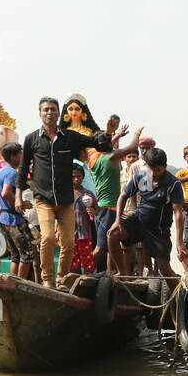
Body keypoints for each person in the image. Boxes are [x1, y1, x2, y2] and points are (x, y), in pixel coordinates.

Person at [17, 97, 111, 287]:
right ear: (40, 113)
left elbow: (96, 143)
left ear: (59, 113)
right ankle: (47, 279)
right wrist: (18, 196)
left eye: (53, 109)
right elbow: (22, 168)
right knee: (49, 237)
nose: (49, 113)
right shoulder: (31, 139)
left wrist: (108, 132)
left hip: (66, 200)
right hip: (43, 198)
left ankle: (62, 278)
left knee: (69, 241)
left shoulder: (70, 137)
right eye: (46, 110)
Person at [109, 147, 184, 278]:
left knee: (164, 270)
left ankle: (183, 296)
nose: (154, 173)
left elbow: (178, 213)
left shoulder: (173, 184)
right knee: (112, 234)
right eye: (151, 169)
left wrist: (180, 242)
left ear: (165, 167)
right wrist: (117, 221)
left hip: (159, 230)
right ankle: (122, 273)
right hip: (139, 221)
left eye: (158, 170)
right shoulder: (141, 176)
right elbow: (122, 196)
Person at [87, 122, 141, 274]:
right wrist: (136, 134)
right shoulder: (111, 157)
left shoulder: (94, 157)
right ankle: (83, 273)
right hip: (109, 208)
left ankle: (118, 272)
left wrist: (117, 135)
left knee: (109, 244)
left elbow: (103, 144)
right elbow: (132, 147)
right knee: (101, 248)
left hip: (101, 207)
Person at [0, 143, 37, 280]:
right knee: (27, 255)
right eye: (20, 154)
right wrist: (21, 204)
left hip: (3, 219)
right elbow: (6, 192)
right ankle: (20, 283)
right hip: (13, 220)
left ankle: (12, 282)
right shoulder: (12, 172)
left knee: (16, 256)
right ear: (13, 156)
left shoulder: (0, 172)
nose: (22, 157)